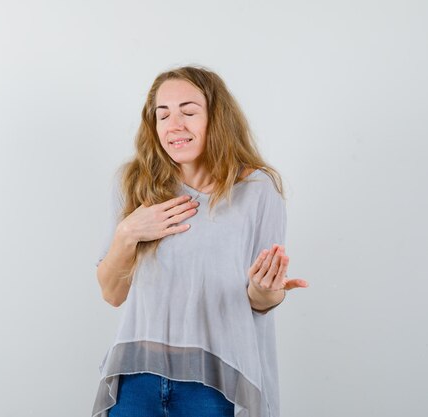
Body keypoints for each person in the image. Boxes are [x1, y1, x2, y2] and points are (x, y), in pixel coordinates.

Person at [92, 65, 308, 417]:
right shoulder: (135, 183)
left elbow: (260, 300)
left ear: (217, 118)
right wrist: (128, 233)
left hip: (215, 383)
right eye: (163, 115)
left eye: (189, 112)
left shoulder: (258, 191)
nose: (174, 125)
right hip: (137, 379)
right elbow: (112, 294)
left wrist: (266, 289)